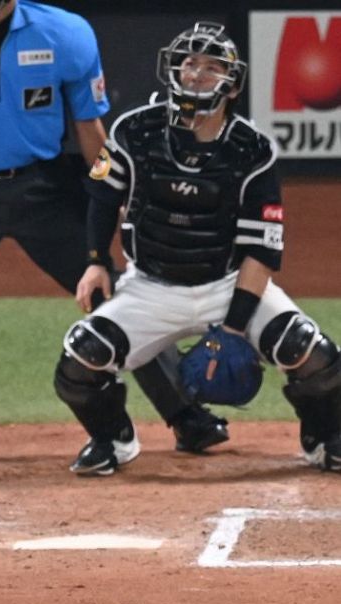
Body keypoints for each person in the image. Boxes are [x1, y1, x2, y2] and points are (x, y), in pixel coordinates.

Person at [0, 0, 227, 465]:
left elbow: (90, 131)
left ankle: (185, 415)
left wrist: (119, 199)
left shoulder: (66, 34)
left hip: (46, 190)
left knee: (114, 294)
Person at [56, 21, 341, 475]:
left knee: (313, 354)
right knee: (80, 360)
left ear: (232, 85)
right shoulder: (132, 130)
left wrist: (233, 328)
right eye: (189, 64)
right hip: (150, 287)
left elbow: (262, 252)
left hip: (228, 284)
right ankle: (113, 439)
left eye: (211, 67)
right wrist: (96, 263)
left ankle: (324, 437)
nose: (196, 75)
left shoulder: (254, 150)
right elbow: (102, 195)